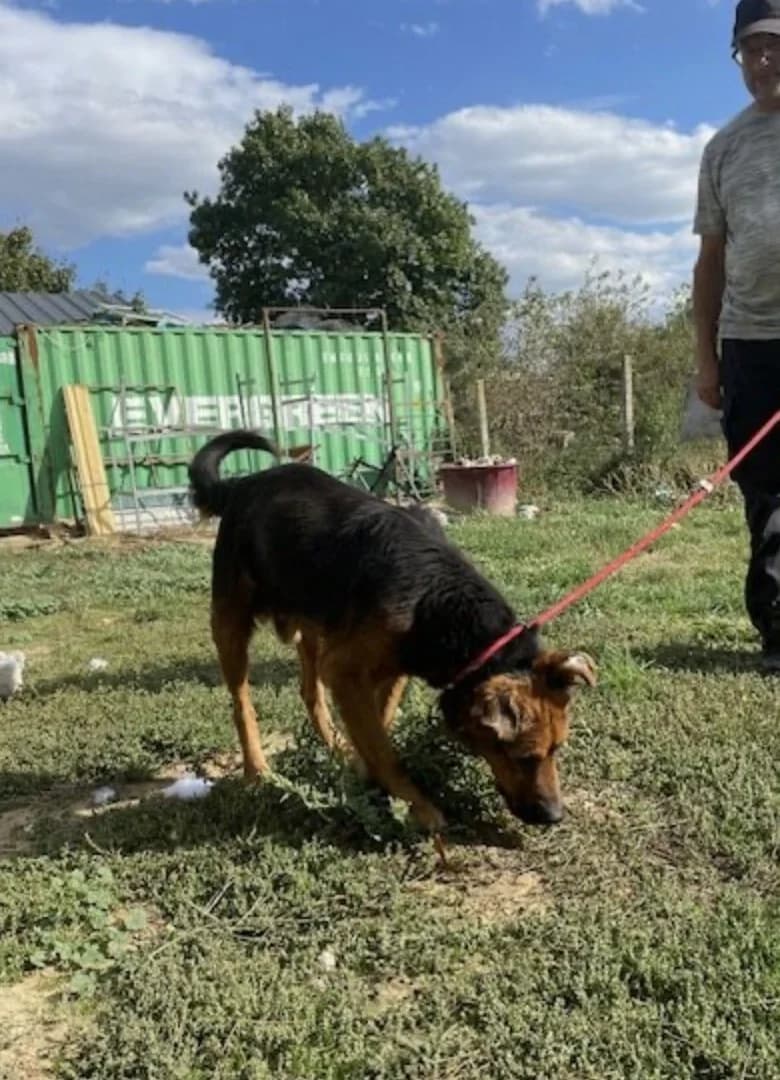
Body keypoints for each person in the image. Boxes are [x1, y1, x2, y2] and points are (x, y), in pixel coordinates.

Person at [693, 0, 780, 669]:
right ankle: (778, 628)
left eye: (773, 45)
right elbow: (711, 262)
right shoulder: (722, 149)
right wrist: (707, 360)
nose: (762, 60)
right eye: (749, 49)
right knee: (766, 493)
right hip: (749, 345)